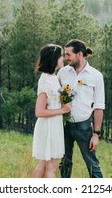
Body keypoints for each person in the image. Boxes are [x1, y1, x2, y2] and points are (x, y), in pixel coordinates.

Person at [58, 39, 105, 178]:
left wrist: (96, 134)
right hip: (64, 125)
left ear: (79, 54)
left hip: (84, 127)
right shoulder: (62, 73)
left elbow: (99, 106)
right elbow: (55, 96)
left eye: (68, 54)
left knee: (92, 165)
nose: (65, 58)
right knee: (64, 163)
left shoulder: (96, 76)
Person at [32, 44, 72, 178]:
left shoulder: (53, 78)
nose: (63, 59)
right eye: (61, 56)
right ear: (54, 59)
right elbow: (39, 112)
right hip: (48, 126)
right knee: (51, 166)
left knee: (44, 164)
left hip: (54, 125)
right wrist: (63, 110)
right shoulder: (45, 82)